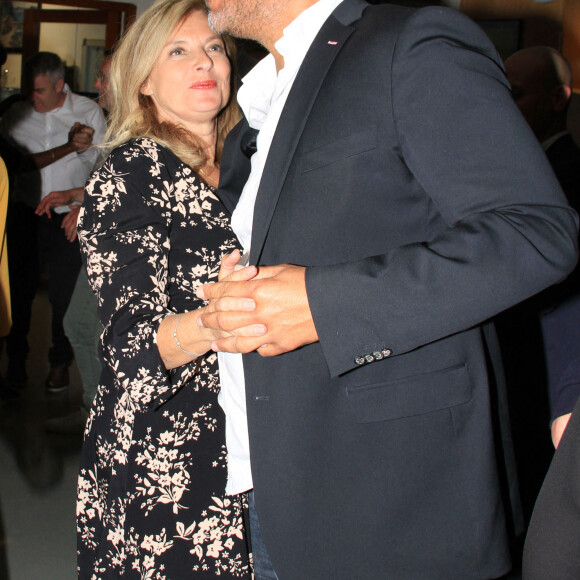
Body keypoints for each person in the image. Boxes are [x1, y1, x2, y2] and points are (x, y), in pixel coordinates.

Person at [196, 0, 579, 577]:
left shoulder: (411, 42)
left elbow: (535, 231)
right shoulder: (261, 96)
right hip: (275, 481)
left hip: (390, 499)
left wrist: (323, 306)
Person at [75, 0, 257, 576]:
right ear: (144, 80)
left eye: (213, 48)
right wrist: (215, 318)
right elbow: (130, 346)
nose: (203, 63)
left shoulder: (254, 160)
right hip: (169, 451)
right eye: (177, 51)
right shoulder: (131, 171)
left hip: (253, 432)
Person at [0, 51, 107, 393]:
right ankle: (16, 365)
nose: (34, 97)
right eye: (30, 89)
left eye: (41, 90)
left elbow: (104, 164)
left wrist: (83, 203)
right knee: (17, 294)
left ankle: (59, 364)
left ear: (61, 85)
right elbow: (14, 163)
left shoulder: (88, 112)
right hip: (23, 215)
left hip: (67, 219)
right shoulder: (15, 113)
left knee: (63, 298)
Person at [39, 51, 113, 433]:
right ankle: (98, 415)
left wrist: (89, 207)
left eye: (103, 77)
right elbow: (107, 179)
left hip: (121, 244)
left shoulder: (146, 124)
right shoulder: (121, 121)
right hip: (103, 235)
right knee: (83, 325)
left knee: (82, 325)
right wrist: (77, 193)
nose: (97, 85)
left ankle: (99, 420)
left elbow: (141, 190)